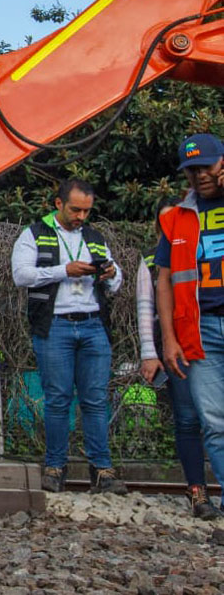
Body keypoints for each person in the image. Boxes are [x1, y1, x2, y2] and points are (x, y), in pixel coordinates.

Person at [11, 178, 125, 494]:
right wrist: (65, 270)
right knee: (58, 399)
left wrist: (112, 273)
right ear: (58, 203)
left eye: (87, 211)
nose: (81, 217)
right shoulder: (33, 234)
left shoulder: (94, 237)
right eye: (76, 210)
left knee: (95, 400)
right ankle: (55, 468)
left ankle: (102, 470)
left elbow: (117, 285)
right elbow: (21, 275)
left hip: (93, 324)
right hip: (55, 326)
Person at [139, 200, 219, 518]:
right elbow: (145, 307)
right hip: (177, 347)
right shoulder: (151, 260)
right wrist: (150, 352)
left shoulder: (206, 248)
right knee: (188, 419)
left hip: (203, 338)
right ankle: (197, 491)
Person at [157, 134, 224, 516]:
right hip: (202, 333)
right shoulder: (176, 217)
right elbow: (164, 279)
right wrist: (168, 338)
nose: (200, 174)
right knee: (214, 423)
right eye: (192, 169)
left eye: (207, 165)